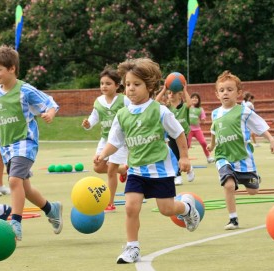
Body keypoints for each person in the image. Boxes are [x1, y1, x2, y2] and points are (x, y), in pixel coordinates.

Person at [95, 58, 201, 264]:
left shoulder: (159, 110)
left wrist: (185, 157)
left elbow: (179, 134)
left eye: (136, 84)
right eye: (127, 85)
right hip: (136, 169)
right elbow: (114, 141)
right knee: (130, 207)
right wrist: (103, 154)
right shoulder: (122, 114)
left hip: (160, 169)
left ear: (150, 86)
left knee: (167, 209)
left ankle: (187, 208)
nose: (131, 89)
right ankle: (132, 247)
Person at [0, 45, 63, 241]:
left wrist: (49, 113)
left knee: (14, 181)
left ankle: (15, 221)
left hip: (25, 142)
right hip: (6, 146)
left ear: (12, 69)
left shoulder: (25, 90)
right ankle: (51, 208)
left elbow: (50, 102)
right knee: (24, 187)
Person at [207, 71, 274, 230]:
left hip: (243, 158)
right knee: (229, 185)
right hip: (223, 156)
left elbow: (259, 126)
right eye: (222, 90)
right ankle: (233, 219)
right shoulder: (215, 113)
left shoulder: (244, 111)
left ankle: (254, 177)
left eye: (230, 89)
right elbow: (214, 131)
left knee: (253, 191)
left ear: (238, 93)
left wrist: (271, 140)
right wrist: (212, 146)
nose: (225, 93)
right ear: (217, 94)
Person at [82, 67, 129, 213]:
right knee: (97, 167)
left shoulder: (124, 100)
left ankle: (110, 203)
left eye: (108, 83)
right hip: (105, 140)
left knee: (110, 172)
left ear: (116, 85)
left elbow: (133, 114)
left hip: (120, 142)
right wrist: (88, 124)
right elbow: (94, 118)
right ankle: (122, 170)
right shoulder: (98, 102)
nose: (104, 86)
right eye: (102, 83)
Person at [155, 81, 195, 185]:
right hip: (171, 136)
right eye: (169, 93)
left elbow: (190, 103)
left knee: (182, 155)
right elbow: (155, 102)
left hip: (183, 135)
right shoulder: (167, 108)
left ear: (180, 95)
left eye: (173, 93)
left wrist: (185, 90)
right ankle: (178, 176)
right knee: (174, 156)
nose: (171, 94)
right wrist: (163, 89)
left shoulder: (184, 106)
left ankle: (189, 168)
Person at [188, 92, 215, 164]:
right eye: (193, 98)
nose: (194, 99)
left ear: (198, 100)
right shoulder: (187, 108)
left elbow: (203, 119)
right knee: (187, 145)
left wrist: (203, 120)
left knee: (203, 142)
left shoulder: (200, 109)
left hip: (197, 129)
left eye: (196, 98)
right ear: (190, 99)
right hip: (188, 130)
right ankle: (183, 157)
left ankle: (208, 157)